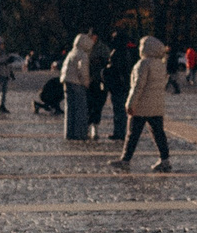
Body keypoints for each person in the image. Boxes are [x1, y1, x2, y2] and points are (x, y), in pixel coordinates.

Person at [111, 35, 174, 171]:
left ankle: (125, 160)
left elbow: (138, 86)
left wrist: (130, 103)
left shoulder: (143, 64)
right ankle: (165, 160)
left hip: (141, 106)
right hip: (156, 106)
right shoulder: (161, 64)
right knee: (158, 133)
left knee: (132, 134)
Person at [60, 32, 97, 140]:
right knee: (80, 110)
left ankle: (69, 133)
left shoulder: (72, 53)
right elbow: (83, 72)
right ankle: (80, 134)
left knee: (69, 110)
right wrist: (86, 83)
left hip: (67, 82)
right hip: (77, 83)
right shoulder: (83, 55)